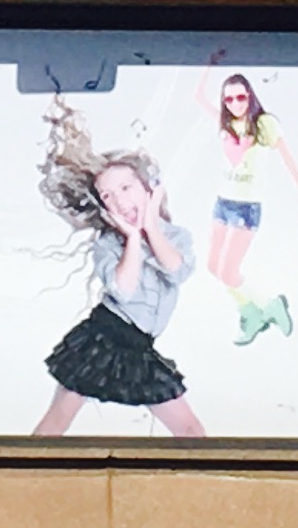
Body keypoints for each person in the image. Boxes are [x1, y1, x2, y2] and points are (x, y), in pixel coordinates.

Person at [30, 102, 208, 440]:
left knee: (190, 431)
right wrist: (132, 238)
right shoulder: (108, 244)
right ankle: (16, 470)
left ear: (148, 189)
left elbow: (177, 271)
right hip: (101, 338)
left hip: (139, 346)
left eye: (126, 189)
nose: (120, 201)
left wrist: (150, 225)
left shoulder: (175, 238)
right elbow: (123, 289)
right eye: (108, 196)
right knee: (57, 422)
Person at [201, 73, 298, 345]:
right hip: (222, 203)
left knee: (228, 272)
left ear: (250, 96)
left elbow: (289, 159)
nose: (235, 103)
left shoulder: (264, 123)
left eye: (240, 97)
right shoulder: (227, 124)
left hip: (246, 207)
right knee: (213, 267)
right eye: (228, 99)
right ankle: (251, 313)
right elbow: (198, 97)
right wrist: (209, 64)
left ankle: (270, 305)